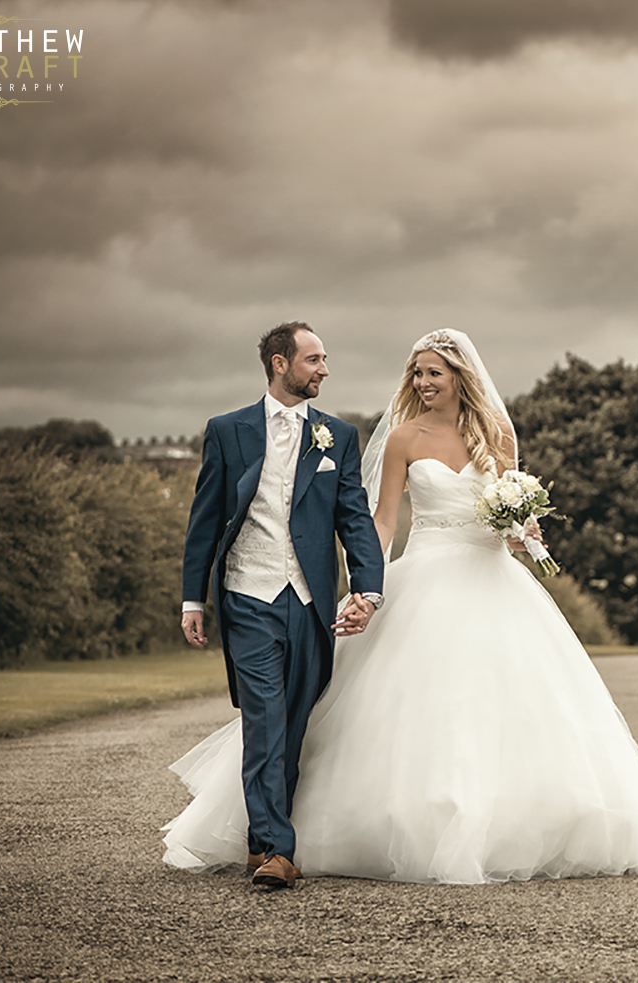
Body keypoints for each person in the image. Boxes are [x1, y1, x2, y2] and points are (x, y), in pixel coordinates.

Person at [163, 329, 638, 884]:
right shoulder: (404, 438)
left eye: (434, 372)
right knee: (375, 704)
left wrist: (520, 530)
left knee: (508, 704)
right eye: (417, 373)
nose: (423, 382)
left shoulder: (497, 434)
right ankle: (278, 838)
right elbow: (379, 520)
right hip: (423, 572)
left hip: (493, 581)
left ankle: (517, 820)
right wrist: (368, 587)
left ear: (460, 375)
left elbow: (505, 514)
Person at [178, 322, 384, 889]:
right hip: (248, 595)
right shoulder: (228, 430)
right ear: (279, 363)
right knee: (264, 720)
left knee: (291, 728)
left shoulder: (337, 436)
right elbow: (205, 519)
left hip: (310, 600)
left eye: (324, 360)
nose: (323, 369)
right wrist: (194, 596)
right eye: (314, 359)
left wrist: (368, 588)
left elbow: (355, 518)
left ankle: (258, 842)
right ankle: (279, 850)